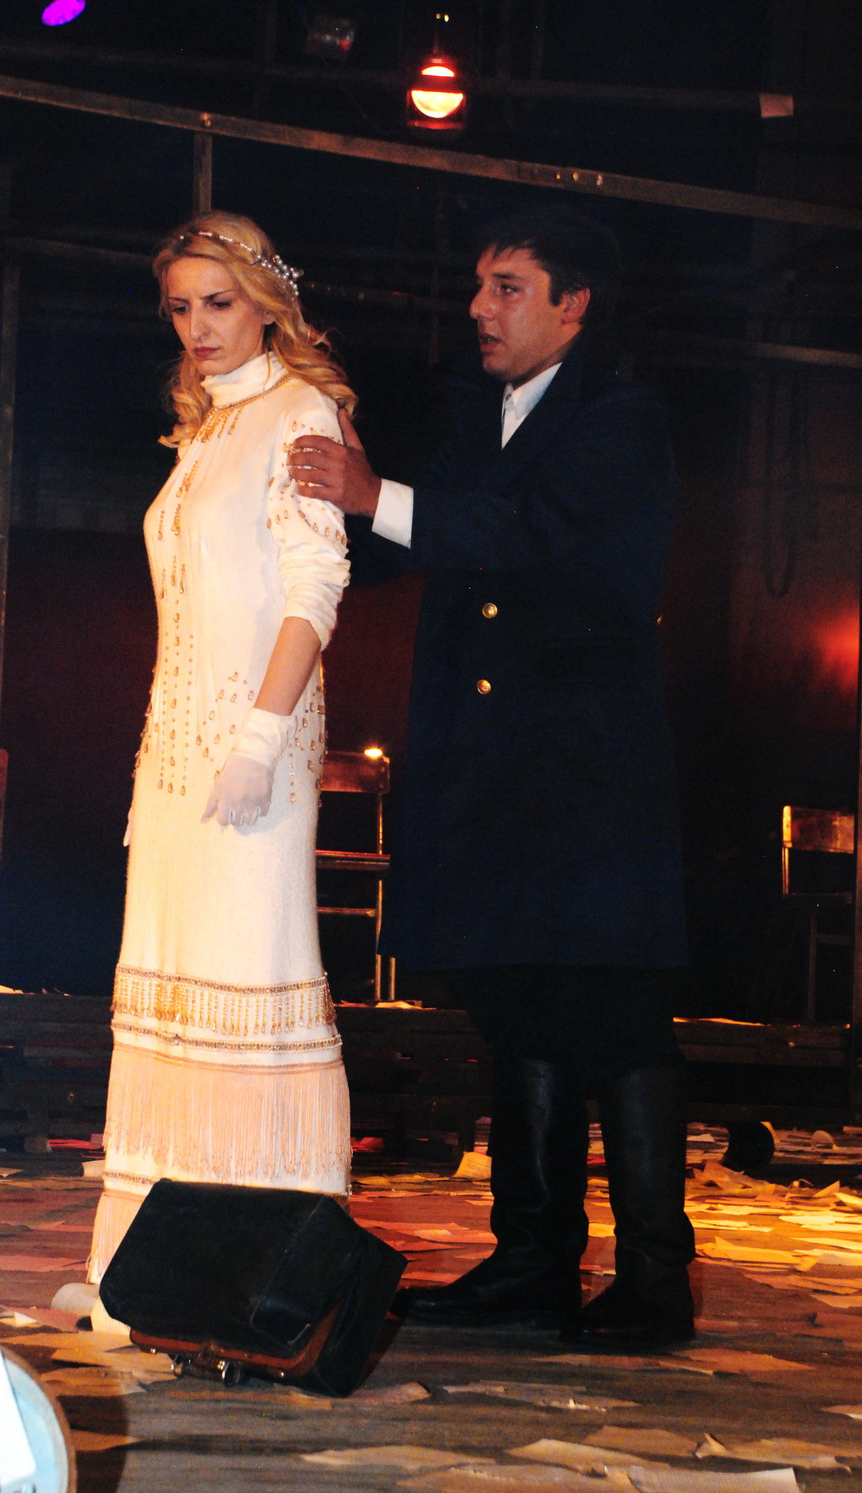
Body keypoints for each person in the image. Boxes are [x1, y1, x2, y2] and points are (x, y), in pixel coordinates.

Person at [286, 206, 695, 1351]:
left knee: (609, 1007)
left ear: (574, 304)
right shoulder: (481, 417)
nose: (478, 307)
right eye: (478, 284)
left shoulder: (621, 417)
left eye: (508, 286)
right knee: (516, 1001)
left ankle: (656, 1277)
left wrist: (374, 494)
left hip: (585, 777)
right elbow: (413, 536)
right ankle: (532, 1261)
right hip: (490, 773)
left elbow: (527, 534)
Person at [87, 211, 354, 1319]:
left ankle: (264, 1282)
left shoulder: (301, 412)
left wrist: (255, 741)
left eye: (219, 302)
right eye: (181, 308)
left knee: (250, 988)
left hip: (256, 753)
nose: (197, 326)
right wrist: (164, 760)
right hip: (175, 758)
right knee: (172, 986)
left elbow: (314, 590)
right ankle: (144, 1273)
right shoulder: (204, 427)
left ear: (266, 303)